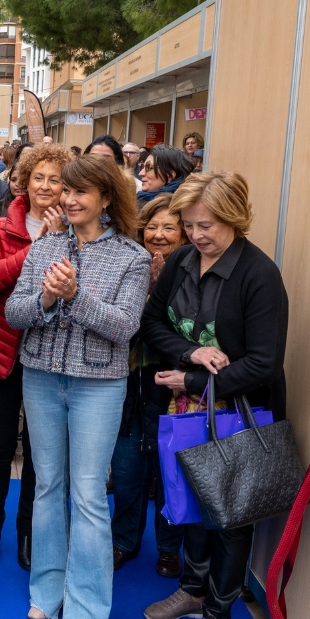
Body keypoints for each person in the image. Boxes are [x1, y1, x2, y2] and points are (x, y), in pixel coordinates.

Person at [139, 171, 287, 619]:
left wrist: (194, 382)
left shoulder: (259, 275)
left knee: (228, 515)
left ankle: (218, 617)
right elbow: (153, 323)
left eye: (207, 225)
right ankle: (193, 589)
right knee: (189, 504)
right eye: (189, 224)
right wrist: (191, 351)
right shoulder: (181, 260)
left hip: (235, 412)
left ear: (234, 218)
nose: (196, 234)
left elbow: (264, 362)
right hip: (186, 411)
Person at [4, 155, 149, 619]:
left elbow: (125, 327)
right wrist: (46, 299)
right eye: (66, 190)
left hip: (98, 387)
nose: (67, 199)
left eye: (79, 192)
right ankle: (46, 589)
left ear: (106, 199)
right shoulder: (44, 247)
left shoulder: (133, 257)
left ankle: (86, 612)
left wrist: (76, 295)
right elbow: (14, 312)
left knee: (88, 495)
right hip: (41, 379)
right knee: (47, 486)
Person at [0, 143, 74, 571]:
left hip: (51, 355)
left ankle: (27, 529)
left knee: (38, 451)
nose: (47, 187)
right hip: (4, 351)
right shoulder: (0, 226)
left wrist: (58, 240)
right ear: (24, 181)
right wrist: (37, 246)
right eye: (39, 177)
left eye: (56, 179)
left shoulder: (78, 229)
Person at [110, 194, 186, 578]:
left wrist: (157, 294)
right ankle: (124, 540)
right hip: (127, 383)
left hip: (172, 388)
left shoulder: (192, 273)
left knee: (168, 470)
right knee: (125, 470)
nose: (158, 235)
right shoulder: (130, 264)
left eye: (169, 228)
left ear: (184, 234)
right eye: (151, 227)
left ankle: (169, 548)